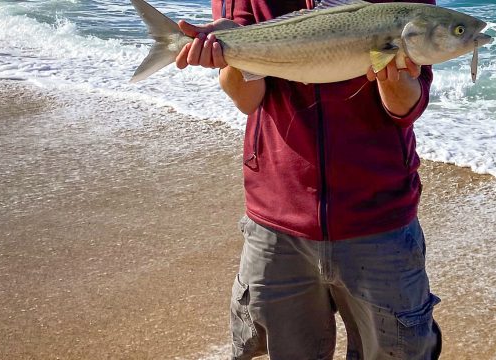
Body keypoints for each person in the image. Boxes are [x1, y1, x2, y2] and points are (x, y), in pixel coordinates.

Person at [177, 1, 441, 358]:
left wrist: (395, 77)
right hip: (277, 219)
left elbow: (407, 107)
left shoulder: (406, 12)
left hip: (378, 216)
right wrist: (232, 56)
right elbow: (247, 98)